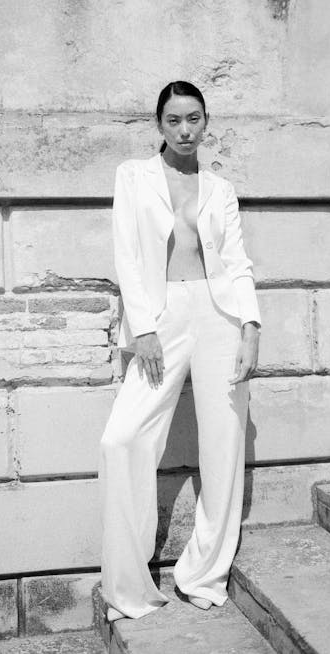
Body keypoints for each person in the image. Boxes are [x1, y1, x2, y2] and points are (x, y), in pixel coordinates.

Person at [98, 80, 261, 622]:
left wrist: (251, 326)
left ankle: (203, 573)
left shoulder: (221, 187)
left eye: (194, 119)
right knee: (122, 440)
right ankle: (129, 583)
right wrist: (141, 327)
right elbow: (126, 252)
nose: (185, 130)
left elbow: (236, 262)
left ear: (206, 120)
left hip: (219, 315)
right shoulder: (134, 176)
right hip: (161, 315)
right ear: (159, 124)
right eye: (173, 121)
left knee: (224, 445)